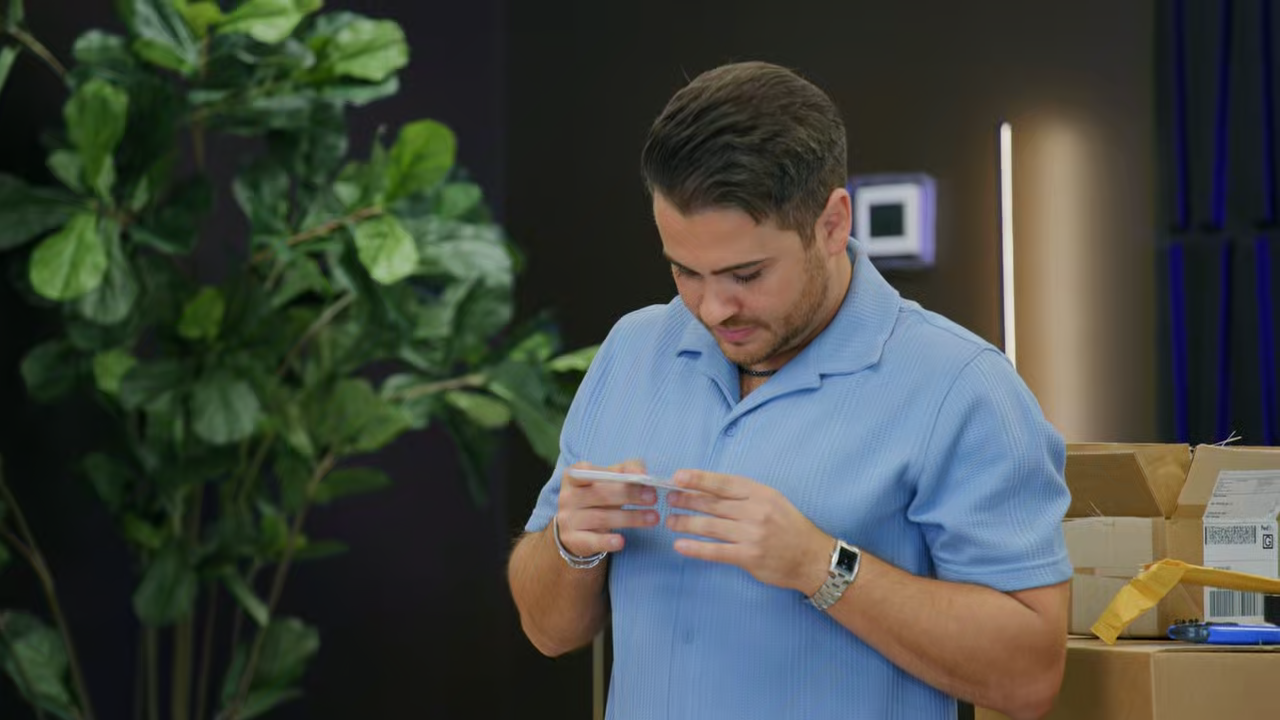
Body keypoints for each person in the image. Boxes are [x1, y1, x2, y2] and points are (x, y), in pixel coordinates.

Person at [507, 61, 1071, 720]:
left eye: (746, 275)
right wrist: (569, 544)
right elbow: (547, 631)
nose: (713, 308)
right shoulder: (633, 348)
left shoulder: (962, 385)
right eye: (685, 272)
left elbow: (1029, 676)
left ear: (832, 224)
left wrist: (818, 565)